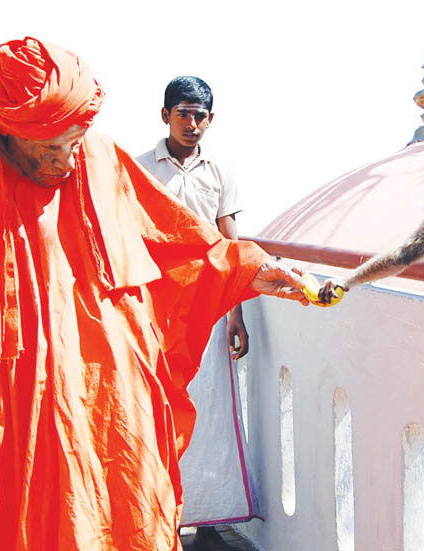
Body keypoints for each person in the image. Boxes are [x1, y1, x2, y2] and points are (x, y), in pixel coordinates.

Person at [0, 37, 309, 551]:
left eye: (73, 143)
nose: (68, 161)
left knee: (110, 511)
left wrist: (252, 269)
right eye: (50, 149)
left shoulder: (96, 153)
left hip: (97, 388)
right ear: (4, 134)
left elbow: (176, 244)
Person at [136, 77, 251, 550]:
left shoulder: (219, 174)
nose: (191, 123)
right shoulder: (141, 171)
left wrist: (236, 316)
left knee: (207, 413)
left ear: (211, 119)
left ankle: (205, 518)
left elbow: (232, 249)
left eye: (200, 115)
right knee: (155, 412)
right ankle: (157, 516)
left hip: (206, 310)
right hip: (155, 312)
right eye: (183, 113)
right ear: (165, 116)